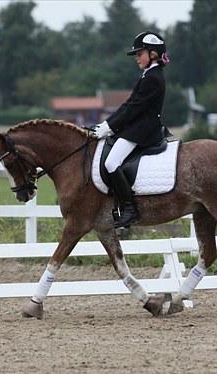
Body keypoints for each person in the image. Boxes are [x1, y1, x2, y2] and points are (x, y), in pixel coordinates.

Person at [94, 31, 169, 228]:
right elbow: (129, 105)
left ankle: (129, 209)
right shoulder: (149, 75)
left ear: (152, 54)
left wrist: (109, 126)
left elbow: (133, 109)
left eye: (139, 53)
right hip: (137, 127)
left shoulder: (153, 78)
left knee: (111, 162)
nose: (137, 57)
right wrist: (106, 125)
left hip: (144, 131)